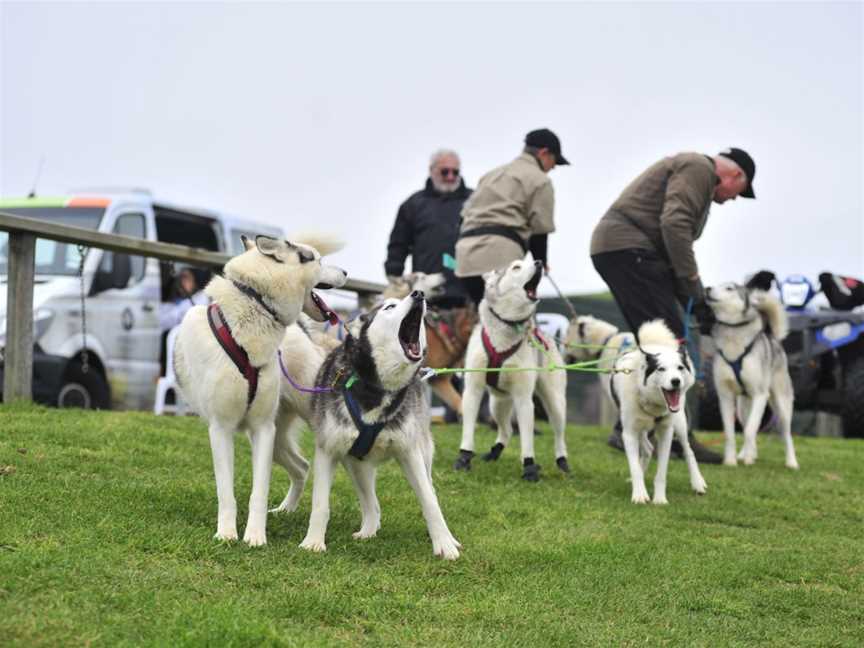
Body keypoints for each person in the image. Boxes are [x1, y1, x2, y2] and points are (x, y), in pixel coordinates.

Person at [589, 147, 757, 463]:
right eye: (741, 191)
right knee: (669, 341)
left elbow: (672, 244)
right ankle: (674, 437)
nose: (735, 198)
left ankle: (637, 426)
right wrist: (694, 288)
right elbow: (675, 227)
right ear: (735, 175)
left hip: (626, 251)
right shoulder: (699, 168)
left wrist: (695, 300)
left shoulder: (697, 176)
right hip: (630, 250)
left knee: (658, 341)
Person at [455, 128, 568, 305]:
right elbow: (539, 231)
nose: (553, 167)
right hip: (500, 258)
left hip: (466, 259)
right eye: (554, 161)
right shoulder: (540, 180)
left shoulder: (490, 175)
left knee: (482, 317)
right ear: (544, 153)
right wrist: (541, 265)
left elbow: (462, 219)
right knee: (509, 320)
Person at [384, 149, 472, 309]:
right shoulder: (413, 204)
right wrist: (394, 273)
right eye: (445, 172)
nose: (451, 176)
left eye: (455, 172)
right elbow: (398, 243)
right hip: (427, 294)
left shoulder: (474, 201)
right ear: (432, 171)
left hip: (468, 291)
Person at [159, 267, 208, 332]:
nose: (181, 282)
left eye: (186, 277)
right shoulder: (181, 300)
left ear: (196, 280)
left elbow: (171, 318)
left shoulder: (202, 299)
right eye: (181, 277)